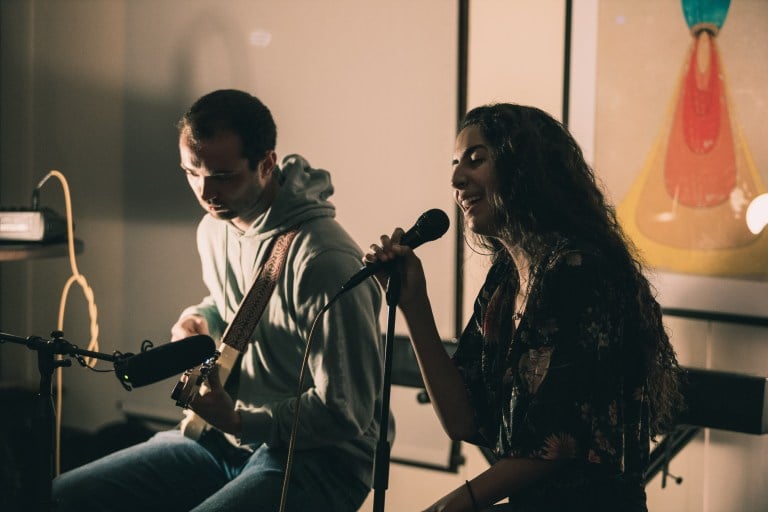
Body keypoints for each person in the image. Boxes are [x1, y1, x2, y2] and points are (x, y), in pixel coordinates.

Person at [53, 89, 385, 512]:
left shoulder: (325, 261)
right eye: (192, 172)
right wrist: (198, 318)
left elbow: (346, 412)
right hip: (228, 440)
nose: (205, 191)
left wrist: (240, 420)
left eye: (223, 176)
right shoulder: (215, 228)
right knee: (63, 496)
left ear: (266, 163)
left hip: (320, 457)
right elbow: (232, 303)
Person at [364, 103, 683, 512]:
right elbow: (462, 419)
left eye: (476, 160)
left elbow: (556, 442)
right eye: (455, 163)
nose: (457, 178)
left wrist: (457, 502)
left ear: (524, 167)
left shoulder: (580, 269)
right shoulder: (505, 278)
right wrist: (413, 303)